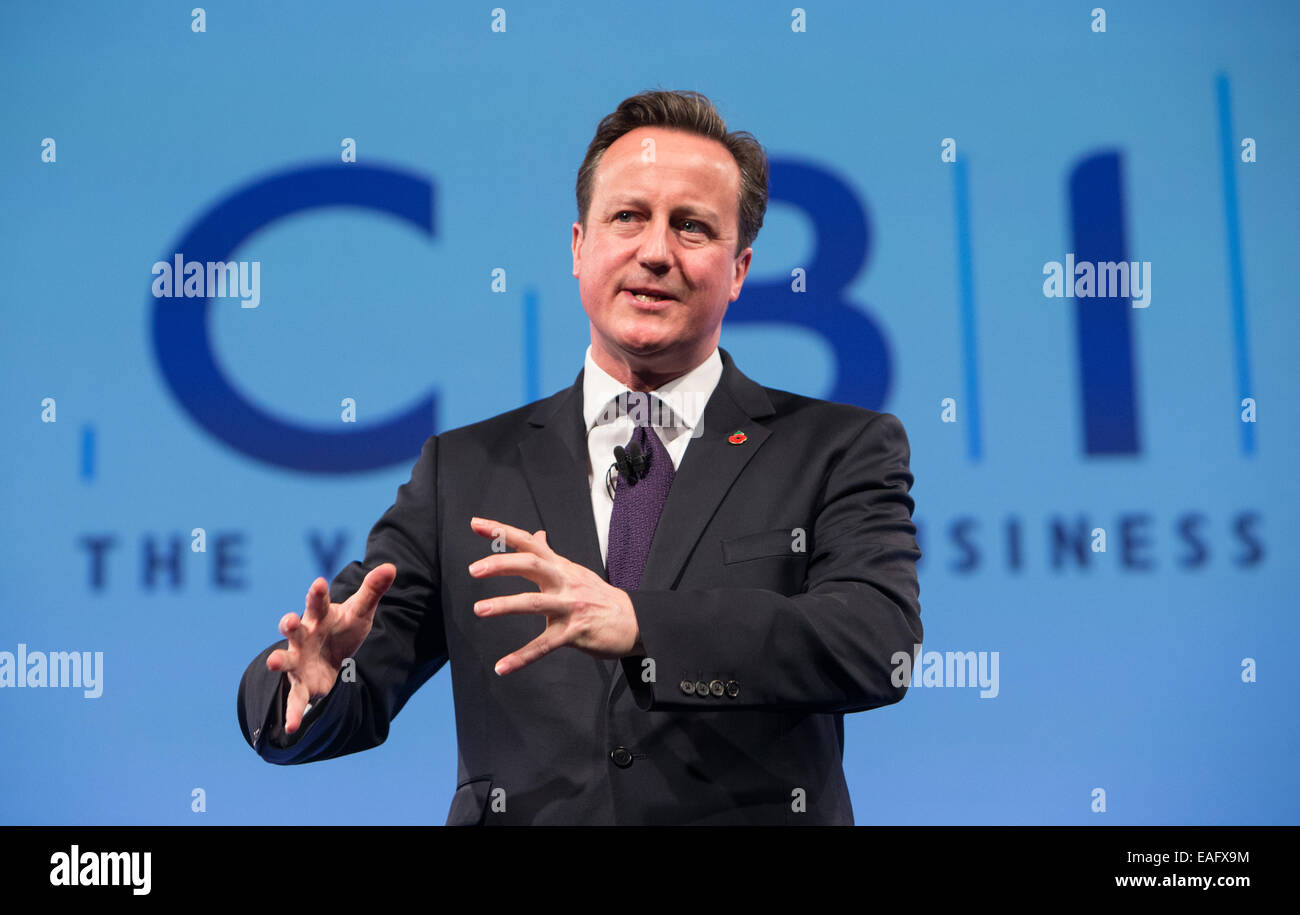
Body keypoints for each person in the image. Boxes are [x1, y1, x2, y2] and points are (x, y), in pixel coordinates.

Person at [237, 89, 923, 825]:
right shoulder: (466, 470)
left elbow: (874, 641)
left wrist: (641, 624)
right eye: (628, 217)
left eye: (692, 227)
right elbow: (347, 684)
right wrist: (315, 679)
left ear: (739, 269)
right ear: (578, 245)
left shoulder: (834, 447)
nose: (655, 251)